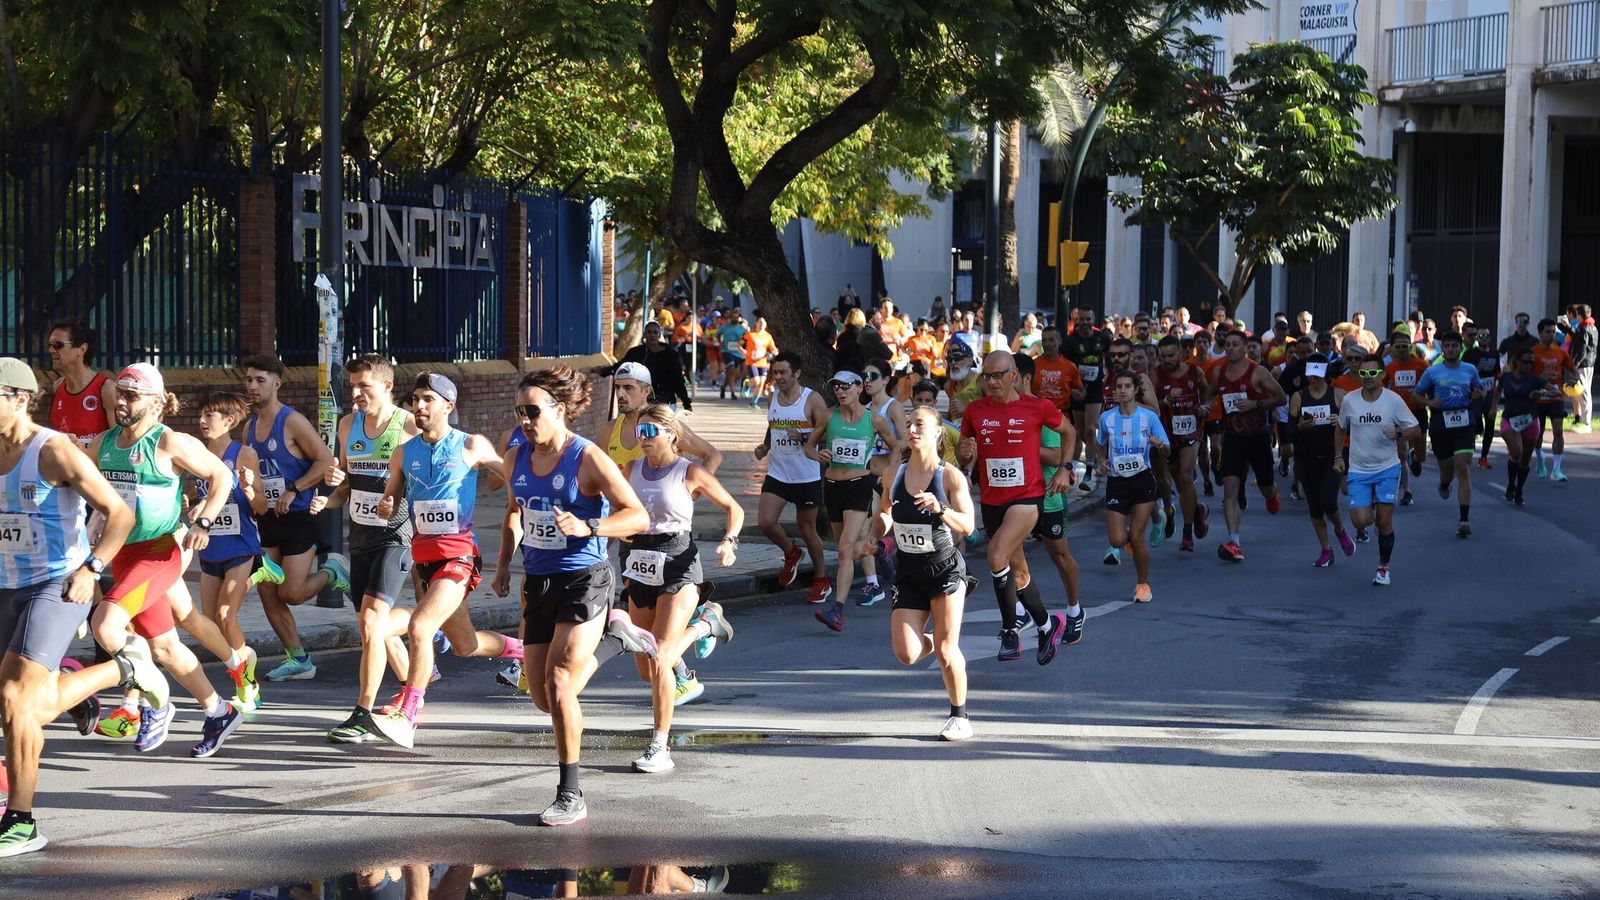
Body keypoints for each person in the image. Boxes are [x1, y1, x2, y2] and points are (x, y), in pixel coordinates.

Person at [0, 357, 165, 858]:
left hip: (57, 585)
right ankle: (122, 668)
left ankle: (22, 821)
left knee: (14, 697)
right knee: (35, 704)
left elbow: (118, 511)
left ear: (21, 398)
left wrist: (92, 569)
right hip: (6, 584)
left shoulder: (53, 451)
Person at [492, 366, 652, 827]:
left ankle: (570, 792)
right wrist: (504, 562)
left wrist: (590, 526)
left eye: (533, 411)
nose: (524, 419)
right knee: (543, 696)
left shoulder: (586, 458)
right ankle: (617, 638)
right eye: (519, 411)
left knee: (562, 684)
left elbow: (637, 516)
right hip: (537, 581)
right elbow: (513, 513)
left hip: (585, 578)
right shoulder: (515, 457)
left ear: (559, 410)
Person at [87, 363, 247, 758]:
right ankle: (218, 710)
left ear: (157, 402)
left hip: (159, 552)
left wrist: (205, 521)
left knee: (106, 625)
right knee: (163, 647)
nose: (121, 401)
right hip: (123, 555)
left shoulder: (168, 442)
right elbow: (91, 497)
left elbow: (221, 477)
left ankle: (156, 701)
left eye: (131, 395)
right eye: (119, 393)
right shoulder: (104, 444)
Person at [366, 374, 524, 749]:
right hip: (424, 560)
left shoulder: (470, 445)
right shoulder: (404, 452)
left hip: (458, 557)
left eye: (427, 400)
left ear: (448, 407)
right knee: (465, 644)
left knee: (420, 628)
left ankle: (408, 715)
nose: (418, 406)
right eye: (415, 399)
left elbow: (517, 479)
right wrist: (386, 505)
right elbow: (389, 504)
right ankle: (526, 650)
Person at [618, 404, 740, 774]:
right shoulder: (630, 469)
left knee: (661, 659)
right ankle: (705, 624)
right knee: (646, 667)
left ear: (671, 434)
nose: (643, 439)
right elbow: (614, 508)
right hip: (638, 563)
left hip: (678, 564)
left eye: (651, 431)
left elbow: (734, 508)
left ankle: (660, 745)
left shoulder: (690, 472)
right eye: (639, 432)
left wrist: (729, 542)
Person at [317, 355, 425, 744]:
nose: (357, 393)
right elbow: (345, 487)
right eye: (353, 386)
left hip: (397, 536)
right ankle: (421, 645)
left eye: (365, 386)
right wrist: (329, 495)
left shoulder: (408, 425)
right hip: (360, 537)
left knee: (370, 624)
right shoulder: (349, 425)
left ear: (387, 386)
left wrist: (400, 497)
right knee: (372, 629)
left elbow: (430, 478)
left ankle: (363, 713)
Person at [861, 405, 976, 741]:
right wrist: (874, 534)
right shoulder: (893, 474)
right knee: (907, 654)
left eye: (919, 425)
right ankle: (942, 641)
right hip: (909, 572)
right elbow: (885, 514)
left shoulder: (949, 476)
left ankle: (959, 716)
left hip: (945, 571)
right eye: (908, 424)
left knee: (944, 650)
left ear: (937, 432)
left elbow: (968, 525)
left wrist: (941, 509)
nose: (911, 430)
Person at [956, 351, 1076, 663]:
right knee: (1018, 573)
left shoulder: (1037, 407)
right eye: (987, 376)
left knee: (996, 555)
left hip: (1027, 497)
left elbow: (1069, 432)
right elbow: (965, 454)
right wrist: (964, 451)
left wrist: (1065, 468)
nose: (992, 382)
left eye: (998, 375)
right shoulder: (975, 411)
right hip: (993, 498)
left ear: (1013, 375)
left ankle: (1009, 631)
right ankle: (1047, 625)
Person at [241, 354, 343, 682]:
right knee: (268, 592)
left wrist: (294, 489)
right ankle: (298, 658)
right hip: (267, 519)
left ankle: (333, 571)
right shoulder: (249, 428)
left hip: (298, 517)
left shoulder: (292, 421)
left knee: (292, 594)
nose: (253, 386)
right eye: (249, 380)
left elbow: (325, 461)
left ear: (276, 384)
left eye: (260, 380)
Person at [191, 392, 271, 711]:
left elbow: (262, 507)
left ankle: (245, 682)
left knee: (226, 615)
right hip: (211, 547)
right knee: (210, 622)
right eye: (202, 414)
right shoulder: (195, 454)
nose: (202, 420)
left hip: (241, 545)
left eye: (209, 415)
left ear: (229, 421)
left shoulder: (244, 454)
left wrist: (249, 487)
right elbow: (199, 497)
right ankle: (244, 657)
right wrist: (190, 506)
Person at [806, 371, 898, 629]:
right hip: (833, 486)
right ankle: (880, 548)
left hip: (860, 485)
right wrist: (818, 455)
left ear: (859, 389)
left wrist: (887, 475)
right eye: (836, 387)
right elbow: (808, 447)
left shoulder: (874, 420)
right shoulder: (828, 416)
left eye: (846, 386)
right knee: (843, 548)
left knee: (846, 548)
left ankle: (837, 609)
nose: (840, 391)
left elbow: (896, 447)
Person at [1334, 356, 1423, 586]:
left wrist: (1400, 434)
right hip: (1359, 470)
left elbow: (1416, 429)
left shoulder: (1393, 400)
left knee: (1384, 521)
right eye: (1364, 374)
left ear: (1382, 374)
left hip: (1387, 468)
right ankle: (1371, 514)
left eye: (1373, 374)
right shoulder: (1350, 401)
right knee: (1360, 521)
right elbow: (1340, 428)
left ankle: (1383, 568)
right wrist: (1337, 457)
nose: (1368, 378)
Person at [754, 353, 831, 604]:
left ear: (797, 374)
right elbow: (772, 425)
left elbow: (826, 432)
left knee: (807, 529)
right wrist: (765, 447)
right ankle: (791, 552)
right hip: (778, 471)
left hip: (805, 475)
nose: (778, 378)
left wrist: (806, 436)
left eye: (783, 373)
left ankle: (821, 580)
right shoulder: (772, 397)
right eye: (775, 373)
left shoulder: (812, 399)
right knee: (766, 522)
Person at [1212, 331, 1287, 562]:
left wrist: (1256, 403)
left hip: (1257, 437)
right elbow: (1208, 396)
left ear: (1245, 347)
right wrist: (1205, 408)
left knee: (1266, 487)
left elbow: (1281, 398)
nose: (1230, 348)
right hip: (1233, 438)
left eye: (1236, 344)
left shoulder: (1258, 372)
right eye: (1227, 345)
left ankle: (1272, 494)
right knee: (1229, 489)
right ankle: (1234, 541)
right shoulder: (1218, 372)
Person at [1097, 371, 1169, 603]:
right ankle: (1157, 515)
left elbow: (1167, 448)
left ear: (1136, 390)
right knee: (1117, 540)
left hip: (1142, 481)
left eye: (1128, 386)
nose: (1123, 390)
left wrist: (1159, 445)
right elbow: (1100, 444)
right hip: (1117, 483)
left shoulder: (1149, 418)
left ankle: (1143, 585)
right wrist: (1102, 461)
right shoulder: (1107, 418)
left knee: (1136, 538)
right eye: (1119, 386)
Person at [1413, 332, 1487, 537]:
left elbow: (1481, 390)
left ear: (1460, 348)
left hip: (1464, 422)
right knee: (1447, 470)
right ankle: (1445, 483)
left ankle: (1464, 519)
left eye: (1455, 345)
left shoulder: (1470, 370)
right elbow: (1416, 394)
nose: (1451, 349)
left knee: (1462, 467)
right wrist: (1429, 402)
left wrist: (1479, 394)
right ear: (1442, 349)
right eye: (1447, 346)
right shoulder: (1432, 372)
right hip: (1440, 424)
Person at [1287, 354, 1354, 567]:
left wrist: (1340, 421)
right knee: (1315, 507)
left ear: (1325, 374)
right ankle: (1326, 549)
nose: (1313, 379)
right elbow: (1288, 432)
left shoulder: (1339, 395)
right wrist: (1300, 426)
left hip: (1332, 457)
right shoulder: (1298, 396)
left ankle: (1340, 530)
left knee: (1328, 501)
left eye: (1317, 375)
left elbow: (1354, 426)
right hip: (1306, 459)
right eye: (1310, 375)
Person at [1152, 336, 1211, 552]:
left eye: (1171, 355)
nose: (1167, 360)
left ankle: (1187, 533)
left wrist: (1204, 406)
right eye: (1163, 356)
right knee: (1179, 482)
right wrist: (1166, 400)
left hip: (1191, 430)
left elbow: (1207, 391)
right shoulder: (1156, 375)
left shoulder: (1195, 372)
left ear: (1180, 353)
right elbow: (1150, 405)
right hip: (1167, 433)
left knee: (1186, 477)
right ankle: (1197, 511)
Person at [44, 319, 116, 451]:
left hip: (93, 469)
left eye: (58, 345)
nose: (51, 350)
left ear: (81, 349)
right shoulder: (58, 386)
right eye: (50, 345)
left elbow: (118, 443)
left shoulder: (105, 389)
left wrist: (86, 449)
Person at [1496, 352, 1558, 506]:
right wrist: (1493, 408)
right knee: (1516, 452)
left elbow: (1556, 391)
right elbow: (1497, 390)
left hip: (1530, 421)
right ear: (1516, 361)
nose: (1529, 365)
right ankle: (1511, 483)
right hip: (1509, 420)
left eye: (1531, 362)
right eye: (1525, 361)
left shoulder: (1535, 379)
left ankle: (1519, 489)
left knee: (1525, 459)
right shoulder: (1506, 377)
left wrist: (1542, 392)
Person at [1065, 308, 1111, 491]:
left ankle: (1089, 474)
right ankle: (1075, 470)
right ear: (1077, 320)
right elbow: (1065, 366)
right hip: (1077, 390)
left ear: (1093, 319)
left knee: (1091, 430)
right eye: (1082, 319)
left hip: (1095, 389)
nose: (1085, 322)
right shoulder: (1070, 341)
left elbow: (1110, 360)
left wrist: (1109, 377)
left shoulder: (1102, 339)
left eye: (1088, 319)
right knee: (1079, 432)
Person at [1383, 331, 1431, 505]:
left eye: (1405, 346)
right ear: (1393, 348)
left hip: (1418, 412)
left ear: (1410, 346)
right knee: (1401, 454)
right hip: (1398, 414)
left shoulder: (1421, 364)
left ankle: (1416, 458)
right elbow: (1380, 384)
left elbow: (1431, 384)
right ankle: (1407, 491)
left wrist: (1430, 400)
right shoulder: (1390, 367)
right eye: (1398, 347)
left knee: (1421, 455)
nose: (1402, 350)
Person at [1531, 318, 1577, 481]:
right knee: (1538, 434)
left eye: (1553, 331)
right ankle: (1540, 457)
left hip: (1556, 396)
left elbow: (1573, 370)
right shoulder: (1533, 352)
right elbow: (1525, 376)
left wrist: (1572, 380)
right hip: (1538, 398)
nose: (1551, 335)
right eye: (1548, 332)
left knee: (1558, 430)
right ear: (1540, 333)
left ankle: (1557, 469)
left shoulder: (1561, 352)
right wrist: (1539, 378)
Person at [621, 321, 692, 411]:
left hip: (666, 402)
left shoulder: (670, 354)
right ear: (644, 335)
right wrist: (605, 371)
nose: (652, 335)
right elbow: (622, 367)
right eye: (649, 332)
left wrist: (686, 402)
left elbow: (677, 379)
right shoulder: (636, 353)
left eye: (655, 332)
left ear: (659, 335)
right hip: (643, 403)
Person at [1462, 324, 1502, 469]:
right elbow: (1464, 374)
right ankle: (1472, 441)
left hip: (1490, 394)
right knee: (1476, 423)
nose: (1483, 339)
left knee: (1490, 424)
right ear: (1476, 338)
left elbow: (1498, 373)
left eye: (1486, 336)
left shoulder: (1494, 354)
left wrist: (1497, 394)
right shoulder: (1470, 354)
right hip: (1475, 395)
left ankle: (1484, 457)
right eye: (1480, 336)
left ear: (1490, 338)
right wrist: (1471, 390)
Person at [739, 317, 778, 407]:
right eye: (760, 322)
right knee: (756, 381)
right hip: (751, 361)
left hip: (762, 361)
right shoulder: (750, 334)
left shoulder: (768, 336)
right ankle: (747, 384)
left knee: (762, 382)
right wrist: (742, 351)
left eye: (764, 323)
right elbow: (739, 344)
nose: (762, 324)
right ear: (756, 323)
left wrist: (775, 352)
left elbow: (773, 348)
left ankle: (754, 402)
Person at [716, 309, 750, 399]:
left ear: (739, 318)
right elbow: (717, 334)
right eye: (733, 317)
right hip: (727, 351)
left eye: (736, 317)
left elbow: (746, 339)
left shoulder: (742, 328)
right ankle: (732, 392)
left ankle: (723, 386)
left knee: (737, 374)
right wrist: (720, 342)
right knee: (731, 370)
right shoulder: (725, 327)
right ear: (730, 317)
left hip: (738, 353)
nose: (734, 319)